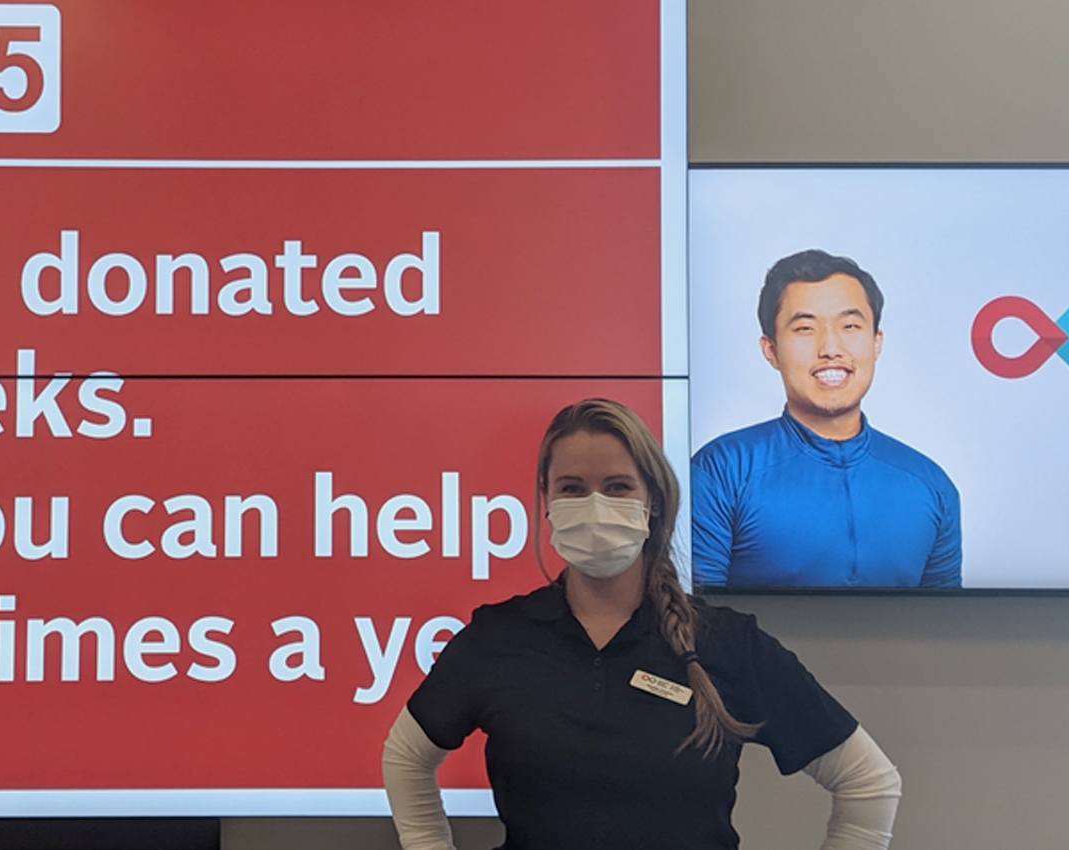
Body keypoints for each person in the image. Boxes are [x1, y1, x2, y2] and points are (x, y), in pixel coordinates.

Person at [382, 399, 901, 849]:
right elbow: (406, 758)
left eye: (616, 486)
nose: (594, 506)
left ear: (651, 499)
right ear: (546, 502)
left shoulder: (727, 643)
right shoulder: (499, 638)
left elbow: (869, 783)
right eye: (572, 488)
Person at [690, 249, 961, 588]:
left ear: (877, 342)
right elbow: (693, 621)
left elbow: (945, 632)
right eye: (805, 328)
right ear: (771, 350)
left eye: (850, 326)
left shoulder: (931, 485)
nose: (830, 348)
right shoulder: (722, 470)